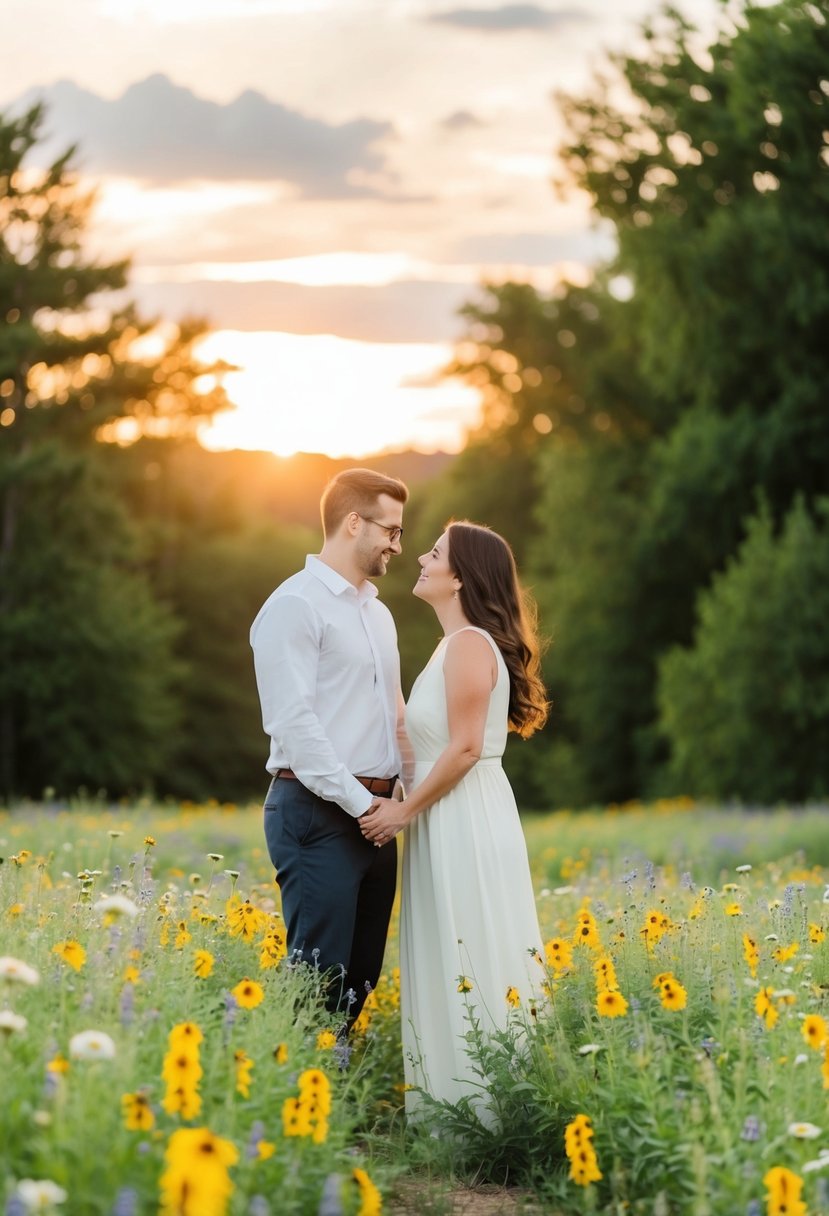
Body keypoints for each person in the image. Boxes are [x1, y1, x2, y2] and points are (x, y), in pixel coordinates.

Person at [360, 520, 548, 1118]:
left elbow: (465, 748)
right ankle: (459, 1113)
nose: (419, 556)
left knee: (472, 947)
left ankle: (491, 1117)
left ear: (460, 576)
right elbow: (422, 740)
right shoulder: (452, 646)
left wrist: (401, 813)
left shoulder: (469, 644)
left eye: (434, 552)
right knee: (455, 949)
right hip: (447, 814)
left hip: (463, 814)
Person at [250, 468, 409, 1023]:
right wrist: (363, 805)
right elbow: (295, 725)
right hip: (317, 813)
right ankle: (295, 1095)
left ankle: (335, 1094)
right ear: (352, 522)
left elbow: (394, 714)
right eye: (391, 531)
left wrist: (403, 801)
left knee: (361, 977)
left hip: (377, 817)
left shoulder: (378, 613)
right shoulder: (295, 606)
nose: (397, 545)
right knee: (318, 980)